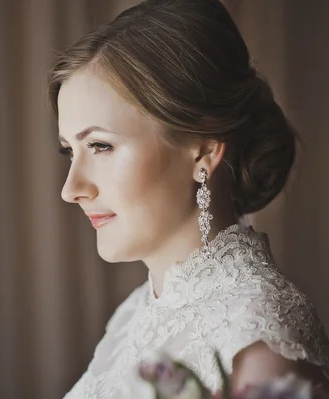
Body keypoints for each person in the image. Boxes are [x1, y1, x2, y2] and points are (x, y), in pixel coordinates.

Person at [47, 0, 329, 397]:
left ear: (203, 151)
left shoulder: (261, 340)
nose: (71, 188)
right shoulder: (134, 314)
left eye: (100, 146)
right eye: (68, 152)